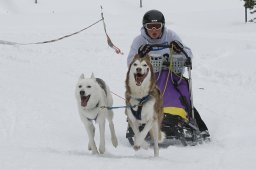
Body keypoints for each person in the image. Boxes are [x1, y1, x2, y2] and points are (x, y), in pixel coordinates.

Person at [127, 9, 210, 139]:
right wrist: (139, 55)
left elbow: (188, 55)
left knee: (182, 93)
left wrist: (181, 50)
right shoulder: (139, 40)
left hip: (172, 77)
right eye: (150, 27)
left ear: (163, 26)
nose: (154, 30)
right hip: (149, 78)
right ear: (145, 27)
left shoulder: (171, 35)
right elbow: (130, 63)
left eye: (157, 26)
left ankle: (184, 118)